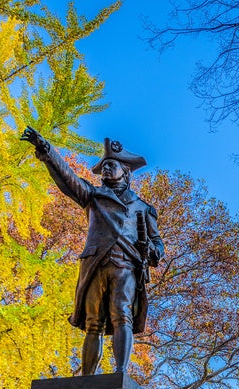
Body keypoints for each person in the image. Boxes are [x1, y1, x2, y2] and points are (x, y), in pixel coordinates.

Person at [20, 129, 163, 374]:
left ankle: (120, 372)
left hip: (126, 266)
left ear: (125, 171)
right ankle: (86, 377)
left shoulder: (143, 207)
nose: (105, 169)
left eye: (111, 165)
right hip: (96, 264)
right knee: (93, 323)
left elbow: (158, 246)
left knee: (122, 315)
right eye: (103, 165)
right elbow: (68, 180)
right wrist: (47, 151)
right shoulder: (92, 195)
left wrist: (150, 249)